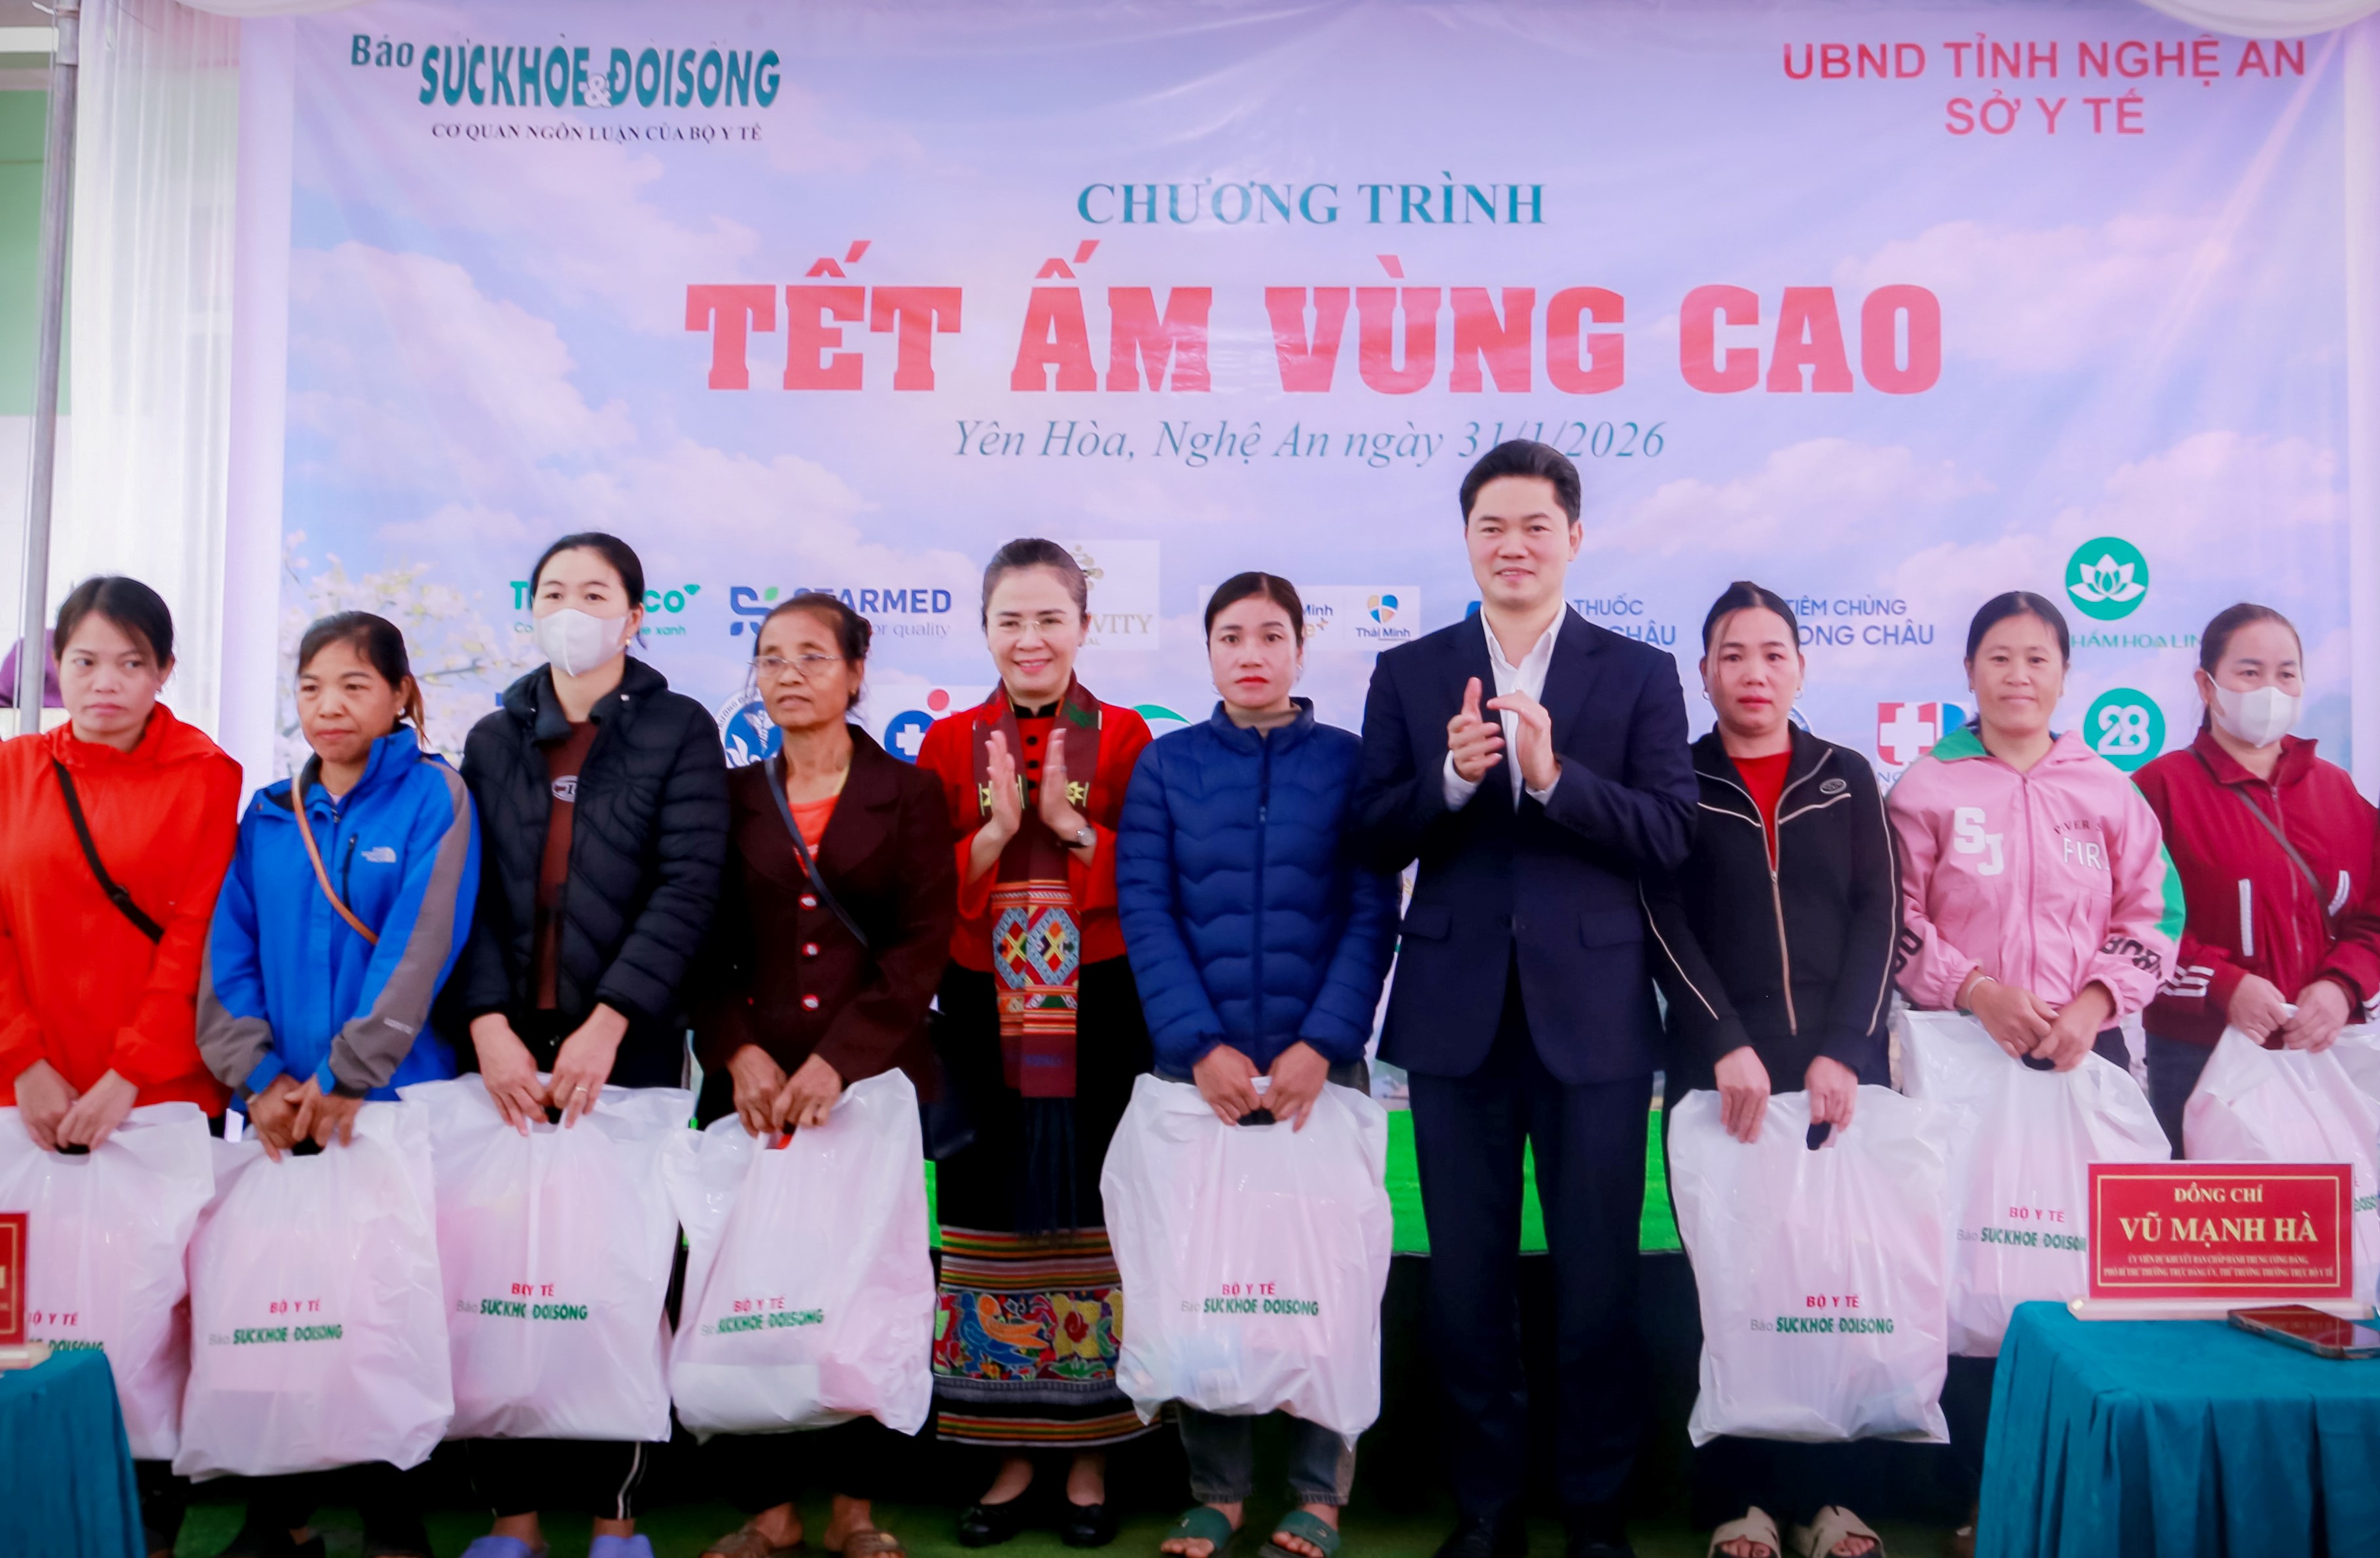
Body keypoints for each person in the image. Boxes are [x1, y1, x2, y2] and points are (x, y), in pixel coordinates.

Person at [1353, 441, 1697, 1558]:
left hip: (1594, 1020)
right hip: (1454, 1020)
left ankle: (1594, 1511)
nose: (1513, 546)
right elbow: (1370, 833)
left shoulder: (1637, 672)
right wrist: (1451, 780)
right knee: (1465, 1288)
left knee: (1598, 1285)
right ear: (1465, 539)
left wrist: (1553, 781)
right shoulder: (1410, 671)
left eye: (1535, 526)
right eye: (1491, 526)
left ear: (1574, 538)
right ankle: (1487, 1511)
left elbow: (1671, 834)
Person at [448, 531, 730, 1558]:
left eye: (597, 593)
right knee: (500, 1279)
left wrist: (612, 1018)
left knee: (617, 1275)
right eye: (556, 592)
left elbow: (689, 885)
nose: (574, 610)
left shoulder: (680, 729)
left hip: (630, 1045)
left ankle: (617, 1516)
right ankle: (511, 1517)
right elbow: (466, 895)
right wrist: (486, 1021)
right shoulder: (492, 737)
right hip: (507, 1050)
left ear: (635, 614)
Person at [1885, 590, 2180, 1558]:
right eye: (1999, 657)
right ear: (1969, 672)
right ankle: (1985, 1496)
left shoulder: (2109, 790)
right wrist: (1976, 991)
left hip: (2083, 1057)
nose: (2018, 675)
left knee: (2079, 1274)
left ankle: (2086, 1488)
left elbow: (2155, 915)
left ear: (2064, 675)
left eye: (2037, 659)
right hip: (1960, 1059)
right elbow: (1894, 919)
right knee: (1970, 1277)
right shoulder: (1924, 788)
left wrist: (2093, 1004)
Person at [1116, 572, 1399, 1558]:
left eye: (1270, 635)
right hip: (1201, 1077)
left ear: (1299, 650)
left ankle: (1319, 1493)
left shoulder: (1351, 763)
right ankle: (1219, 1491)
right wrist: (1199, 1045)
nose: (1250, 653)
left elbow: (1371, 910)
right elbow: (1145, 907)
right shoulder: (1166, 766)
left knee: (1327, 1283)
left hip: (1321, 1074)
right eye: (1230, 636)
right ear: (1207, 652)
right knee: (1207, 1277)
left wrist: (1324, 1042)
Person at [195, 611, 480, 1558]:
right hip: (281, 1112)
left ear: (400, 695)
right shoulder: (270, 814)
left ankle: (394, 1516)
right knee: (282, 1310)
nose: (330, 705)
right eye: (312, 686)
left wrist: (349, 1074)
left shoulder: (436, 797)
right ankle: (280, 1515)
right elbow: (227, 951)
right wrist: (259, 1078)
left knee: (383, 1312)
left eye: (355, 684)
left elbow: (421, 945)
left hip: (389, 1107)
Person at [691, 592, 955, 1558]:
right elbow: (698, 943)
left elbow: (920, 947)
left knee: (863, 1289)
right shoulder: (726, 796)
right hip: (751, 1088)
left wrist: (841, 1061)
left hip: (869, 1087)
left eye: (811, 655)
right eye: (771, 657)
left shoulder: (910, 793)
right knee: (749, 1287)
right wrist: (737, 1049)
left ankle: (856, 1507)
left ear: (855, 671)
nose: (789, 673)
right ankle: (767, 1508)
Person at [1640, 585, 1894, 1558]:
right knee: (1728, 1287)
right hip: (1719, 1077)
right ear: (1703, 672)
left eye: (1773, 653)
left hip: (1836, 1078)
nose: (1754, 672)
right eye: (1732, 654)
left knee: (1831, 1288)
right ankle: (1736, 1499)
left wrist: (1848, 1049)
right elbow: (1659, 916)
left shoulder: (1846, 774)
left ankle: (1828, 1499)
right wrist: (1720, 1038)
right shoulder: (1676, 778)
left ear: (1800, 667)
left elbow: (1881, 913)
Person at [914, 538, 1158, 1549]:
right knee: (989, 1216)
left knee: (1098, 1217)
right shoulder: (946, 744)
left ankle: (1092, 1454)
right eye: (1009, 619)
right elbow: (921, 892)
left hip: (1103, 1006)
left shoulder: (1128, 736)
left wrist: (1072, 828)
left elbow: (1150, 877)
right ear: (984, 630)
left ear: (1084, 627)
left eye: (1050, 617)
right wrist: (990, 835)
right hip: (981, 1009)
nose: (1030, 638)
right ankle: (1009, 1453)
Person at [0, 576, 243, 1558]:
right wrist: (22, 1060)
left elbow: (195, 938)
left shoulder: (206, 774)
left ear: (165, 671)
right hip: (24, 1094)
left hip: (155, 1096)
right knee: (24, 1321)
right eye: (86, 661)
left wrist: (128, 1075)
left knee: (144, 1320)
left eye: (131, 663)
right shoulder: (13, 769)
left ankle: (145, 1524)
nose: (106, 682)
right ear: (57, 666)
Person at [2133, 603, 2380, 1153]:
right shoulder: (2158, 789)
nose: (2270, 689)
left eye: (2285, 673)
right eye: (2249, 672)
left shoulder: (2337, 791)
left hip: (2320, 1053)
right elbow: (2134, 923)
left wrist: (2341, 986)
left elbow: (2372, 915)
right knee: (2208, 1208)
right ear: (2206, 685)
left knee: (2324, 1208)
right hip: (2196, 1057)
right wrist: (2223, 985)